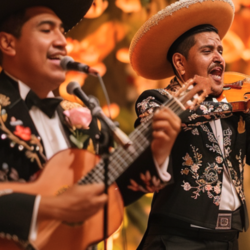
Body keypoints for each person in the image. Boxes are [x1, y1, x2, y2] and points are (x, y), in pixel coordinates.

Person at [0, 0, 182, 248]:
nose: (62, 42)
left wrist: (157, 154)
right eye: (46, 30)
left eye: (61, 31)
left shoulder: (82, 118)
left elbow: (109, 190)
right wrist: (49, 206)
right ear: (8, 43)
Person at [129, 0, 249, 249]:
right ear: (181, 63)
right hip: (178, 239)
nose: (218, 58)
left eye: (220, 51)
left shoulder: (236, 103)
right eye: (207, 51)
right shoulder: (155, 100)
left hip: (229, 239)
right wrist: (230, 105)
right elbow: (167, 121)